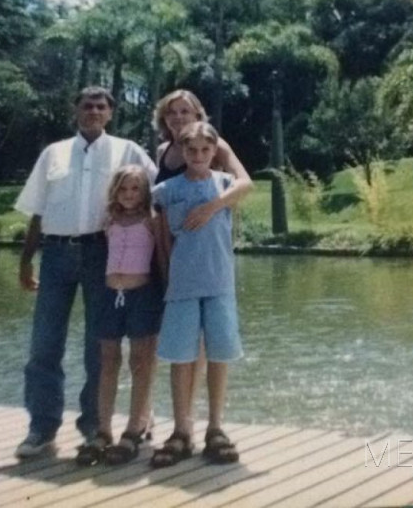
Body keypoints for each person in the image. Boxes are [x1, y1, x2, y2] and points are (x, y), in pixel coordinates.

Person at [14, 86, 158, 459]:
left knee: (99, 344)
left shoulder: (128, 150)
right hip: (56, 254)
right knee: (44, 344)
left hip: (102, 253)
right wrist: (26, 259)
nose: (93, 111)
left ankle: (96, 426)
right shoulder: (54, 153)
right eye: (86, 105)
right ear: (75, 109)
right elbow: (37, 211)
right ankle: (41, 428)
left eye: (100, 106)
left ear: (110, 112)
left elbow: (159, 193)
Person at [151, 89, 253, 448]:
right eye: (172, 113)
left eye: (185, 111)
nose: (178, 117)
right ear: (164, 119)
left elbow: (245, 183)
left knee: (217, 352)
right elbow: (155, 222)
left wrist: (212, 206)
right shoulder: (163, 164)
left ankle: (214, 426)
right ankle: (181, 428)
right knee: (180, 352)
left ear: (199, 115)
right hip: (177, 274)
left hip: (216, 275)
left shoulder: (217, 153)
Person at [75, 165, 164, 466]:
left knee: (141, 361)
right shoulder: (109, 220)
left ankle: (134, 428)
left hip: (142, 296)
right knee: (108, 361)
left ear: (144, 192)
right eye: (123, 189)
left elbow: (162, 255)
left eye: (135, 189)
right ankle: (103, 430)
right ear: (116, 191)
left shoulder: (152, 220)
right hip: (110, 295)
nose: (128, 194)